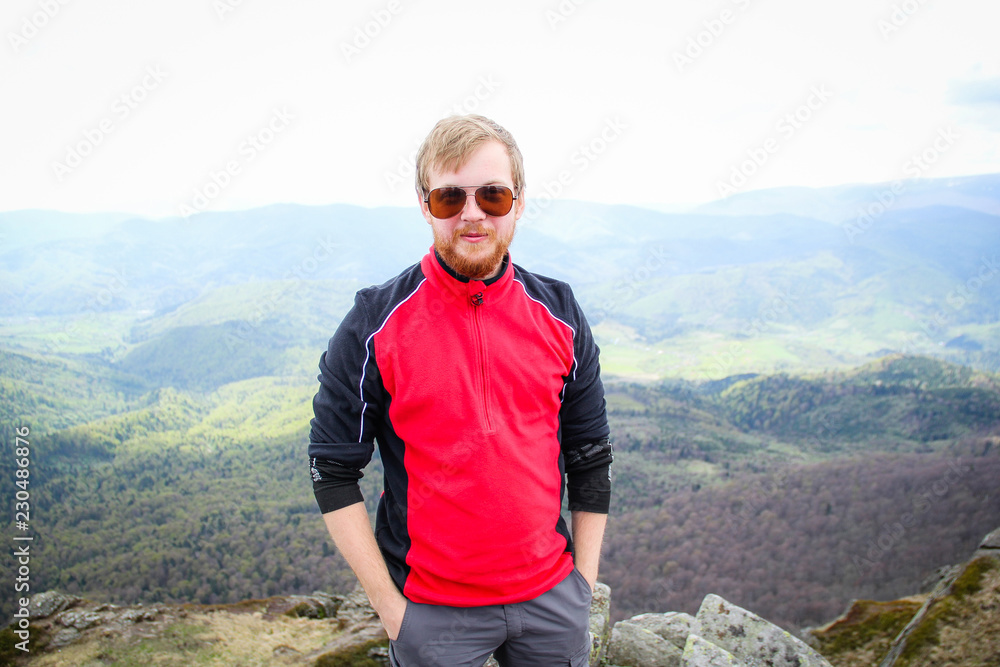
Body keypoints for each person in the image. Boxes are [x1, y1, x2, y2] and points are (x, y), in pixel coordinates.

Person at [308, 114, 613, 667]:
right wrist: (392, 611)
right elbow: (331, 469)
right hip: (433, 613)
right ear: (425, 205)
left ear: (518, 203)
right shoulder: (374, 322)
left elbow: (590, 456)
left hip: (552, 603)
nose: (472, 213)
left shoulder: (560, 313)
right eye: (451, 197)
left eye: (492, 195)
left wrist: (582, 590)